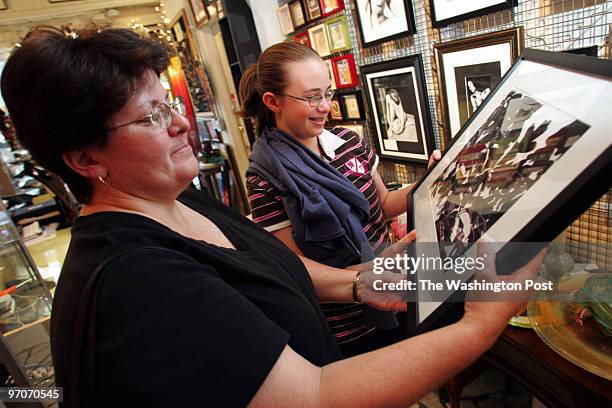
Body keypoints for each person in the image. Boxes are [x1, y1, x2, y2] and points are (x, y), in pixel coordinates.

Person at [1, 27, 545, 407]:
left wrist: (363, 282)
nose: (179, 124)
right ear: (85, 158)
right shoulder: (137, 278)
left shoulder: (179, 201)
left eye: (170, 104)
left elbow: (276, 268)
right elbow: (313, 396)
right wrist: (482, 322)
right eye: (151, 116)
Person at [241, 42, 440, 356]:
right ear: (272, 101)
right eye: (312, 97)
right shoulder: (265, 178)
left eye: (328, 93)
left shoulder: (349, 141)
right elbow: (296, 270)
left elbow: (385, 204)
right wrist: (369, 273)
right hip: (347, 325)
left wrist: (432, 180)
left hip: (397, 288)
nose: (325, 107)